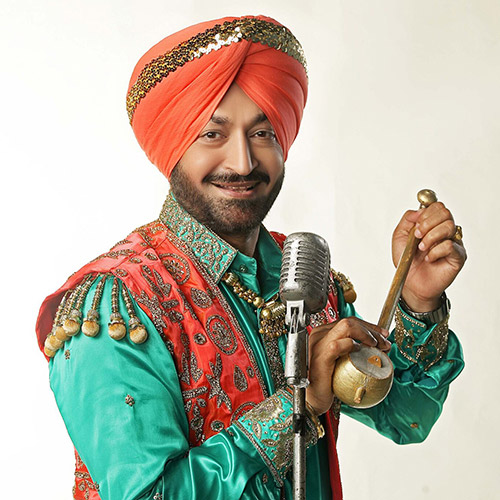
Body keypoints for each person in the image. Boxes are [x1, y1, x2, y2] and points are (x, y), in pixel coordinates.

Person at [36, 15, 466, 500]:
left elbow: (408, 415)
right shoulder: (119, 305)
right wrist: (295, 407)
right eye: (212, 134)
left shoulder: (301, 271)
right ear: (172, 145)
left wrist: (418, 299)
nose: (242, 163)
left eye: (262, 133)